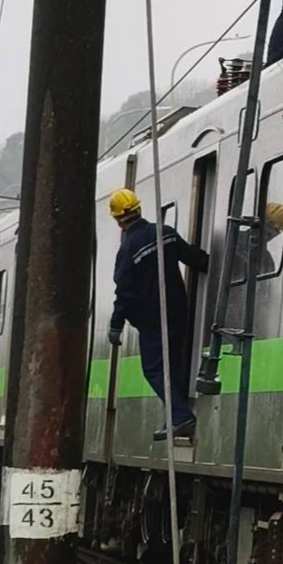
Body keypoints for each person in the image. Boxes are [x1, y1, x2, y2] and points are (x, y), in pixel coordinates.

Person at [106, 189, 211, 441]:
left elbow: (124, 292)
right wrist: (219, 264)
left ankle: (181, 416)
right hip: (178, 310)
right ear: (139, 209)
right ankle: (176, 416)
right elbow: (192, 256)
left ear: (118, 219)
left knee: (154, 369)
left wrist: (116, 325)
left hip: (152, 320)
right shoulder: (165, 232)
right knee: (173, 365)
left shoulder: (128, 248)